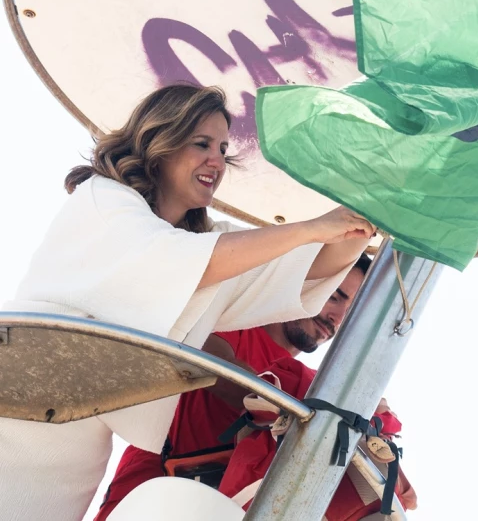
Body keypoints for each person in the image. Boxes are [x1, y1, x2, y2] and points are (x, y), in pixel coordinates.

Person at [0, 84, 375, 521]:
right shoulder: (103, 200)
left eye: (222, 147)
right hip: (16, 409)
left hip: (78, 439)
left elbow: (307, 270)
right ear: (159, 142)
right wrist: (310, 228)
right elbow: (185, 261)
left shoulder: (204, 245)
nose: (217, 160)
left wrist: (362, 213)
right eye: (201, 144)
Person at [94, 255, 370, 520]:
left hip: (224, 508)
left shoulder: (310, 385)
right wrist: (301, 406)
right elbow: (210, 362)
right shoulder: (233, 321)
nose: (337, 317)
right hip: (148, 494)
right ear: (303, 282)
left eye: (350, 311)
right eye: (334, 296)